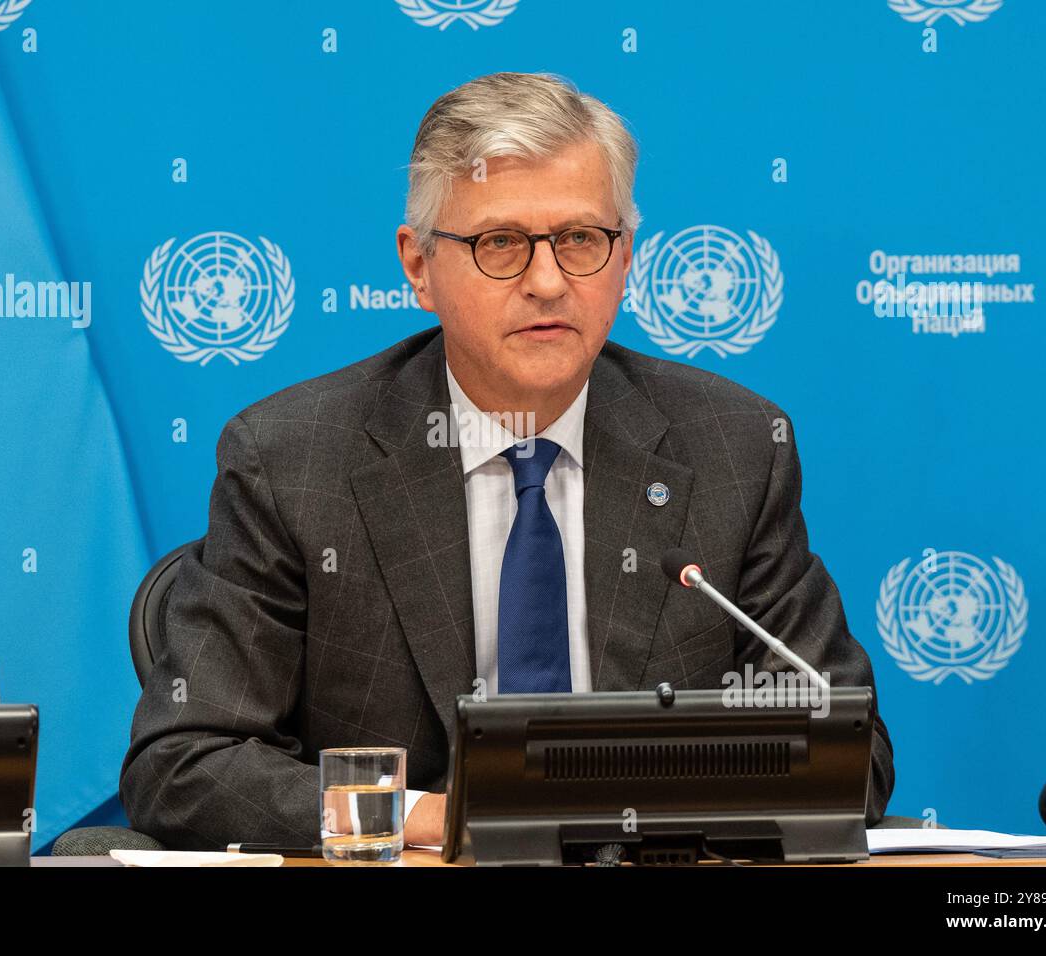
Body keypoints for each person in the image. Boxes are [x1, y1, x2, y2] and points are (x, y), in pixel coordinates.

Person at [119, 71, 895, 850]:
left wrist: (639, 812)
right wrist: (437, 818)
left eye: (582, 240)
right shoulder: (292, 459)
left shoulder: (731, 446)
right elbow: (184, 763)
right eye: (501, 244)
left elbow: (849, 757)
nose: (549, 282)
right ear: (418, 267)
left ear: (626, 259)